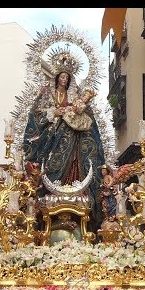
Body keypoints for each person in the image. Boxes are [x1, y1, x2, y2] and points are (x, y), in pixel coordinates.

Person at [23, 60, 107, 230]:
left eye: (66, 77)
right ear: (56, 78)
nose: (63, 80)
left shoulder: (75, 95)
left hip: (74, 135)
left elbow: (86, 117)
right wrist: (54, 112)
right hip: (53, 136)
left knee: (77, 157)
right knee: (53, 164)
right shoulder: (47, 94)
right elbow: (36, 116)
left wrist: (77, 109)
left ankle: (77, 190)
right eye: (61, 77)